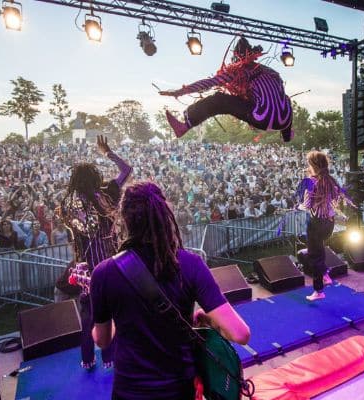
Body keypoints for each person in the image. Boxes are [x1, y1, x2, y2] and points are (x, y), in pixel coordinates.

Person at [90, 182, 250, 399]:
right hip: (178, 389)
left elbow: (102, 340)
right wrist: (207, 319)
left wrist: (121, 315)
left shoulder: (104, 273)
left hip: (129, 390)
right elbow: (241, 334)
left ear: (124, 219)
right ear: (165, 215)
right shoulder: (191, 264)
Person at [57, 135, 132, 371]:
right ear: (95, 178)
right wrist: (107, 152)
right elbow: (126, 169)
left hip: (87, 266)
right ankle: (111, 358)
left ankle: (88, 359)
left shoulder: (69, 205)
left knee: (89, 314)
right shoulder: (107, 194)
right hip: (110, 262)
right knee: (116, 310)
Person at [159, 36, 294, 142]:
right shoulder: (272, 72)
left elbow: (209, 82)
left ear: (237, 57)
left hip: (261, 117)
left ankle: (185, 126)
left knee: (219, 100)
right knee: (285, 99)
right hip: (285, 120)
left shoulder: (241, 71)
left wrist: (181, 91)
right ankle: (287, 134)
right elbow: (280, 97)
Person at [299, 151, 348, 301]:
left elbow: (307, 205)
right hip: (329, 224)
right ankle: (324, 276)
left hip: (316, 223)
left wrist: (299, 206)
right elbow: (334, 198)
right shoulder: (330, 181)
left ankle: (320, 288)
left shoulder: (311, 183)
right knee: (318, 252)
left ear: (313, 165)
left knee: (314, 256)